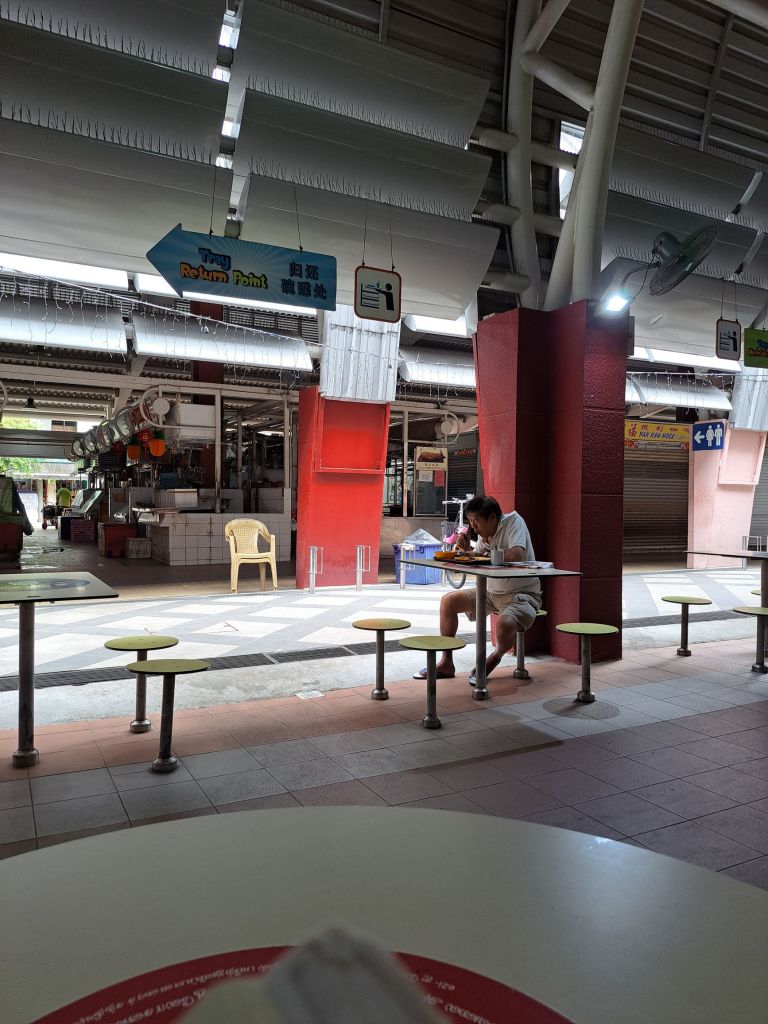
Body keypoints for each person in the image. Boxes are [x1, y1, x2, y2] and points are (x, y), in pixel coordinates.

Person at [414, 495, 541, 684]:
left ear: (493, 518)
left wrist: (481, 554)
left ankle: (494, 657)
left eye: (476, 521)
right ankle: (446, 662)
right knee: (448, 602)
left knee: (505, 625)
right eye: (470, 521)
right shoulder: (484, 534)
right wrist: (467, 552)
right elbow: (480, 559)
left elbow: (516, 555)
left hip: (521, 593)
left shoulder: (514, 522)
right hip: (489, 591)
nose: (473, 527)